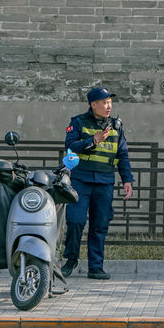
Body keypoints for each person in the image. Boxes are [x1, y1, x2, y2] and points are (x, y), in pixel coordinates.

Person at [61, 86, 134, 280]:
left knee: (99, 224)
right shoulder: (78, 122)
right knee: (75, 220)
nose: (108, 106)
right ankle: (70, 259)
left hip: (105, 182)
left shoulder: (116, 126)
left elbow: (123, 154)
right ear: (93, 104)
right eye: (104, 102)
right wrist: (93, 140)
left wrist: (127, 179)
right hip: (81, 180)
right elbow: (70, 145)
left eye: (110, 102)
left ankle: (95, 267)